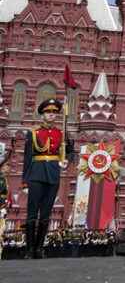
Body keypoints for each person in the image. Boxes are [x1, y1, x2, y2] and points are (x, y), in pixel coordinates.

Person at [22, 98, 74, 259]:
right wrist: (25, 180)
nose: (51, 115)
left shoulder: (61, 133)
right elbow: (27, 157)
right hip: (36, 173)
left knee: (46, 214)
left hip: (53, 174)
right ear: (42, 114)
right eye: (48, 112)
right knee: (32, 213)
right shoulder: (33, 132)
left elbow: (71, 151)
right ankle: (29, 249)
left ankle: (39, 249)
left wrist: (66, 160)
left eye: (54, 113)